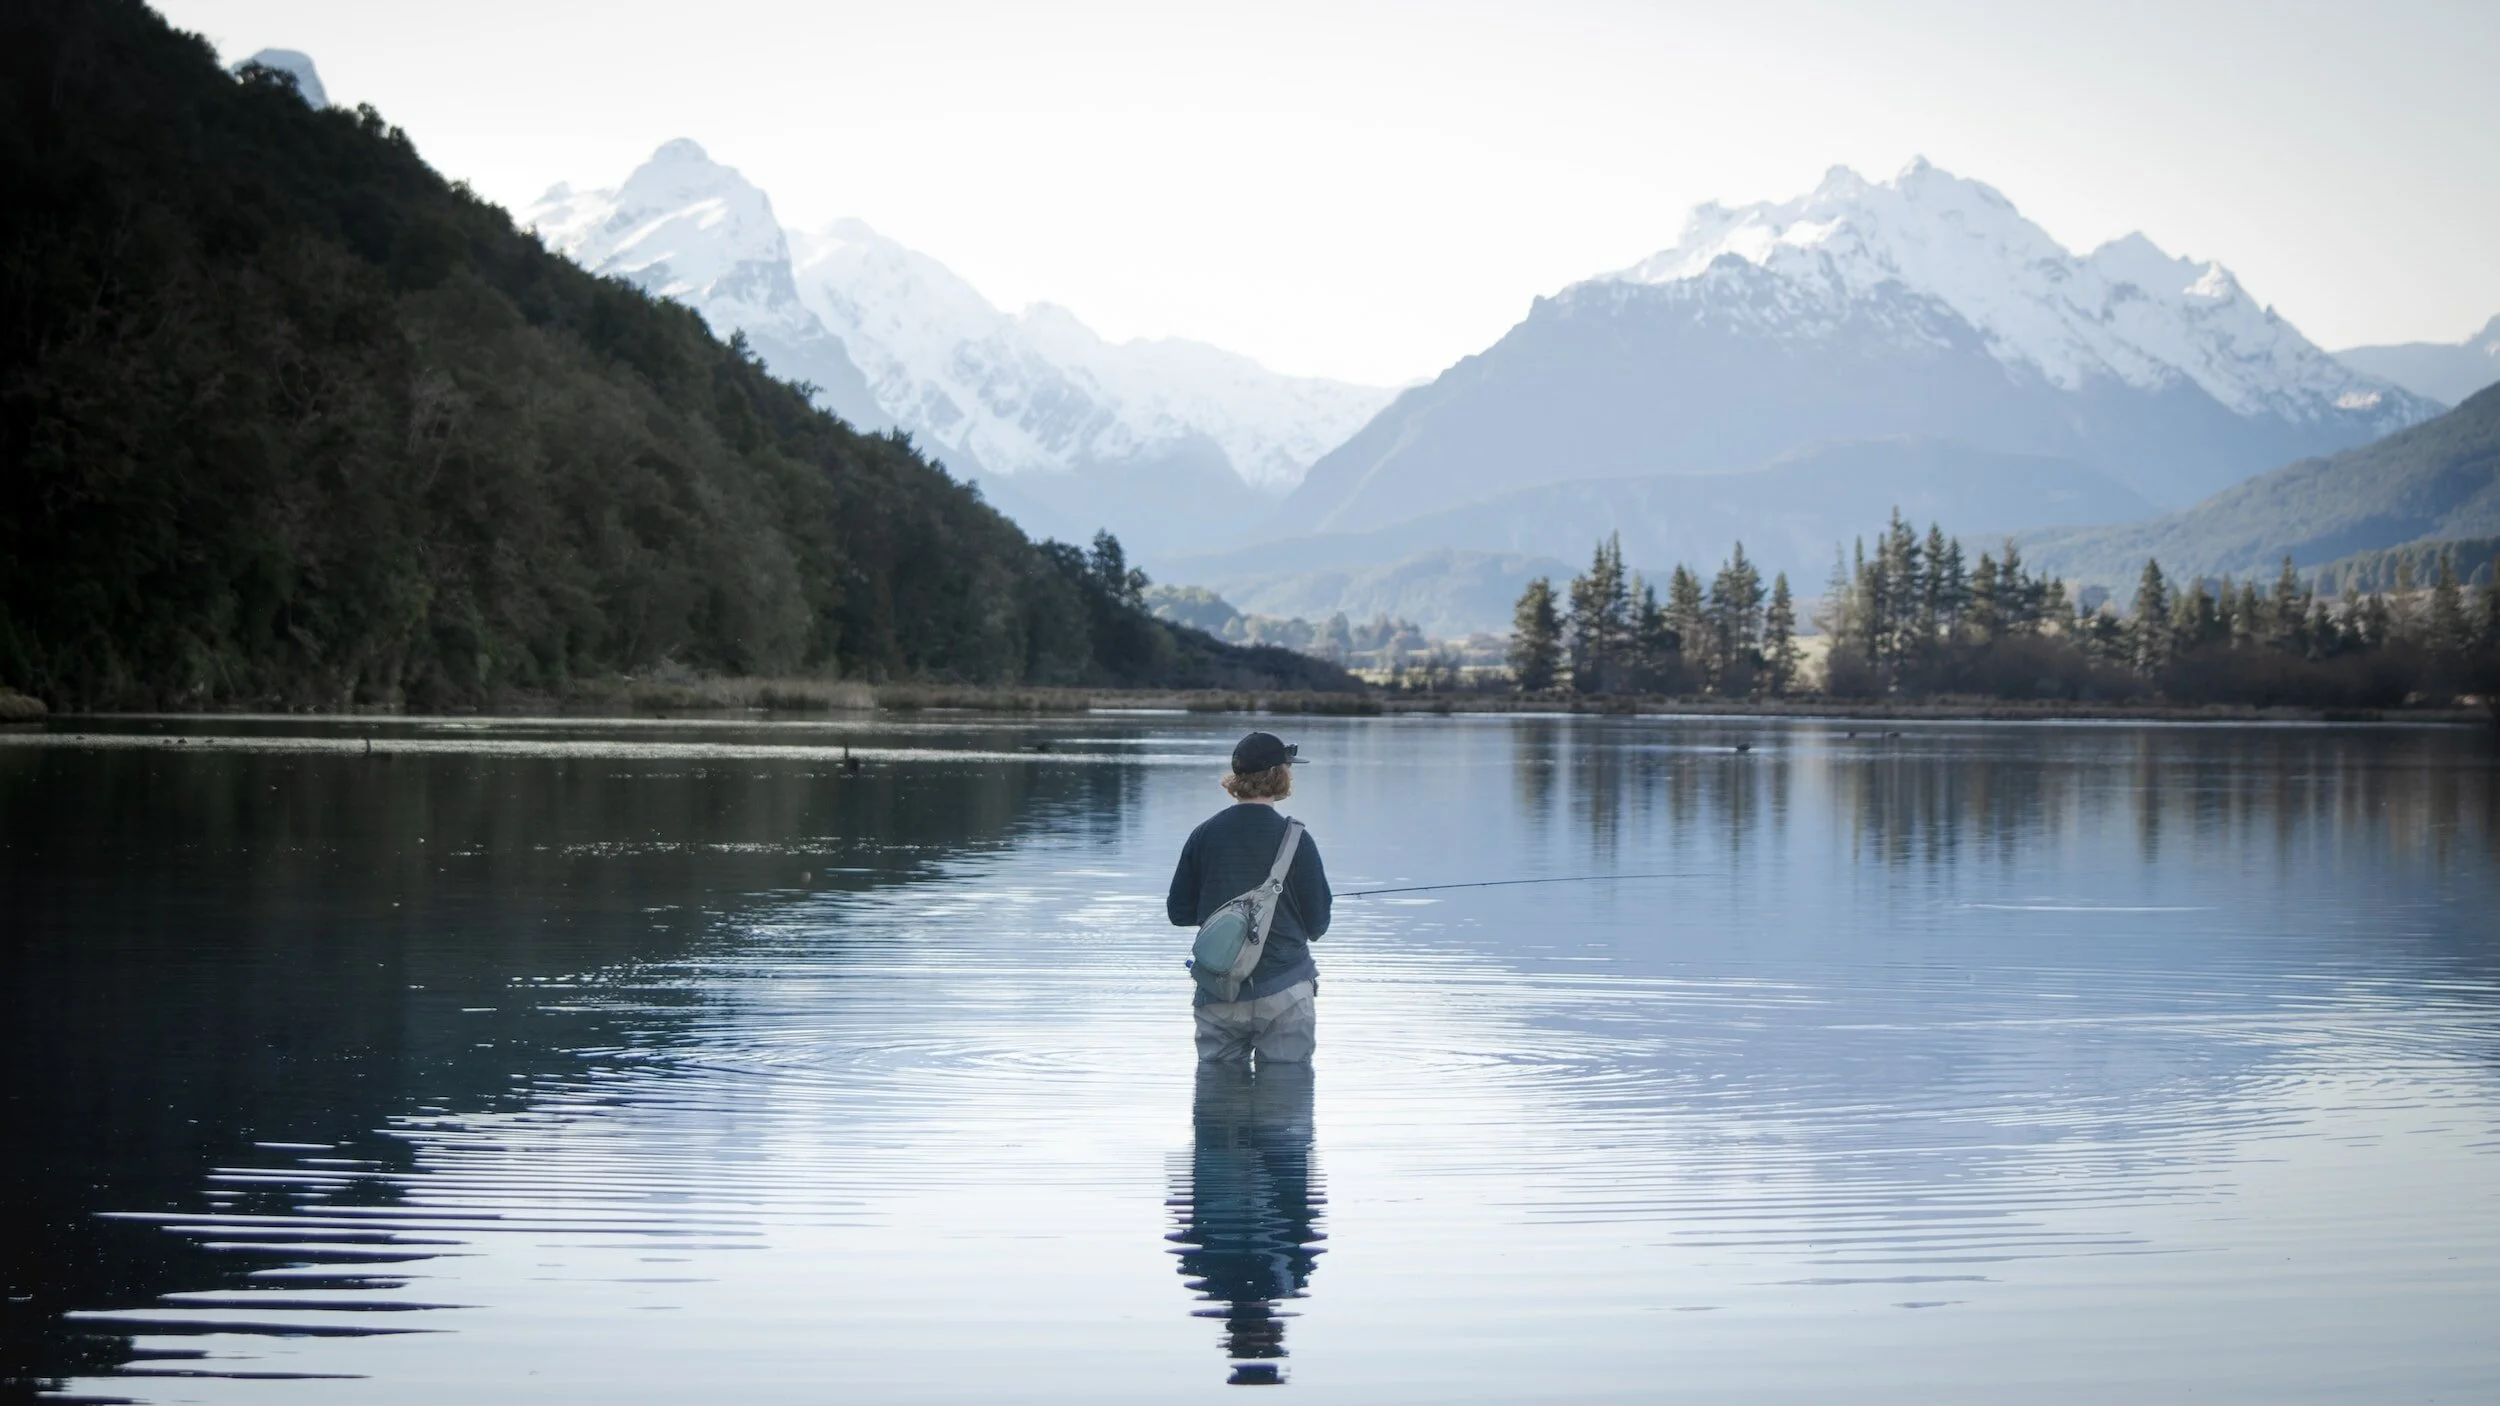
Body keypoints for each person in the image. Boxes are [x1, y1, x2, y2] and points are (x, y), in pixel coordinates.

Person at [1166, 731, 1332, 1063]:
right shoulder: (1297, 839)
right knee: (1286, 1102)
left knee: (1217, 1106)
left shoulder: (1204, 834)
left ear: (1237, 777)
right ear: (1280, 775)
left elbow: (1179, 912)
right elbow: (1317, 924)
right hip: (1286, 990)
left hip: (1218, 990)